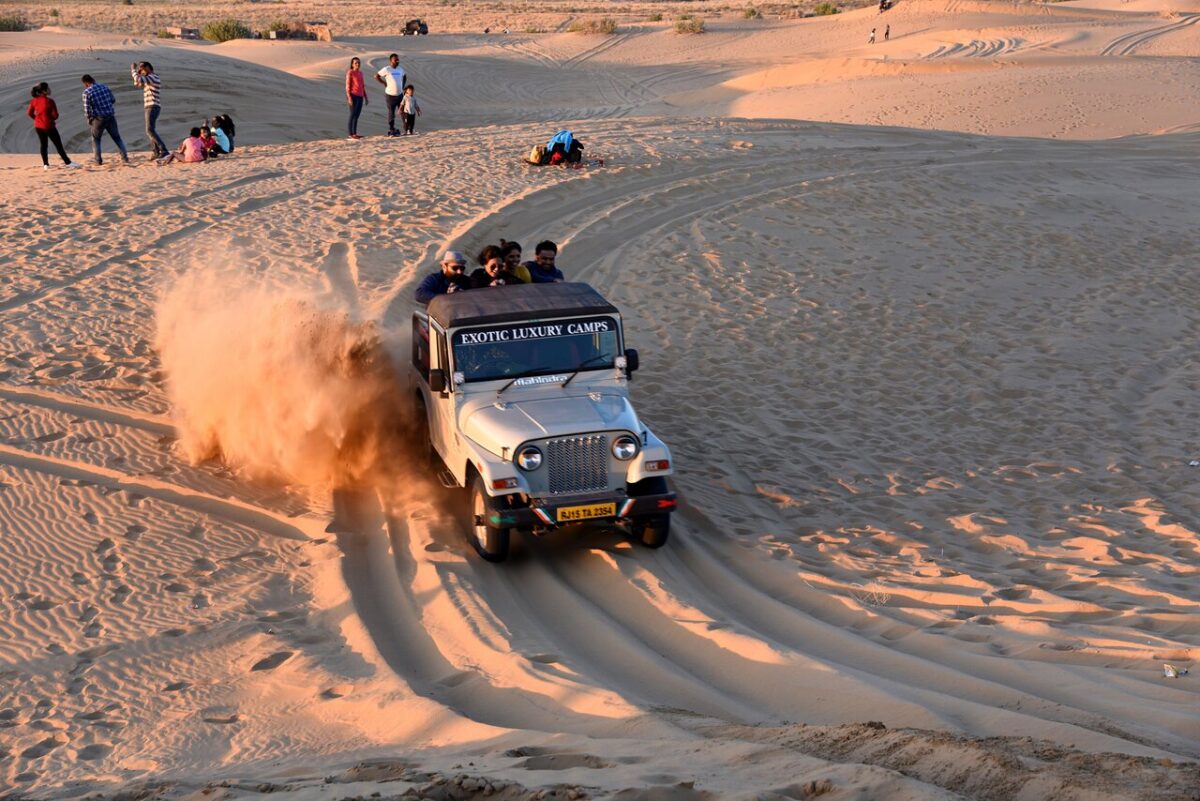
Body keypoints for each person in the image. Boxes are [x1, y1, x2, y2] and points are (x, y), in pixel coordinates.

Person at [27, 83, 78, 170]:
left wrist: (37, 119)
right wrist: (50, 118)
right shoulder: (50, 101)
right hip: (49, 126)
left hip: (38, 126)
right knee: (58, 145)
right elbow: (55, 115)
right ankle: (68, 162)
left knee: (43, 145)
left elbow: (29, 113)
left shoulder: (34, 101)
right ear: (44, 91)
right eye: (48, 88)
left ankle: (46, 165)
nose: (50, 89)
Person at [81, 74, 129, 165]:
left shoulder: (87, 92)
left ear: (85, 84)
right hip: (110, 116)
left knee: (96, 139)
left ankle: (98, 160)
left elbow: (87, 109)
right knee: (117, 138)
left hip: (98, 119)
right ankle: (125, 157)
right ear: (93, 79)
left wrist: (89, 119)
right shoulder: (105, 87)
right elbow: (113, 100)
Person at [131, 61, 167, 159]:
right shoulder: (148, 79)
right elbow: (137, 83)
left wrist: (133, 70)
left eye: (142, 68)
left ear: (147, 68)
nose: (141, 71)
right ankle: (156, 151)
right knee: (150, 130)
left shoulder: (153, 77)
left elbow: (138, 79)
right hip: (150, 106)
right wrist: (138, 73)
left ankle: (163, 150)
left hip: (152, 106)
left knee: (149, 130)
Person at [374, 53, 407, 137]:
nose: (397, 61)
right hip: (390, 96)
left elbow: (404, 76)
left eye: (398, 59)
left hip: (400, 95)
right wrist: (384, 83)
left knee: (403, 111)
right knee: (391, 113)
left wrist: (402, 87)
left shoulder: (400, 69)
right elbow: (376, 76)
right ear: (391, 61)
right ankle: (391, 129)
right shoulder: (387, 69)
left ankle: (407, 129)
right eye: (395, 59)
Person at [346, 57, 368, 140]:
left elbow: (362, 86)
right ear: (352, 64)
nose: (357, 64)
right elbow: (347, 86)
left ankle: (354, 133)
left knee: (357, 116)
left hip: (360, 96)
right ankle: (350, 134)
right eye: (356, 63)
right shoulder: (350, 72)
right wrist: (349, 98)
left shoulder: (360, 73)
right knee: (352, 114)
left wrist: (366, 97)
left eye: (359, 62)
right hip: (353, 95)